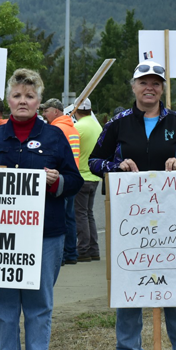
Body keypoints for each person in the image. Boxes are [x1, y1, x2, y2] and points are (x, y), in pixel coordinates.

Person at [88, 60, 176, 350]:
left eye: (156, 83)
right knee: (131, 283)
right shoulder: (118, 123)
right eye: (144, 82)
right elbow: (95, 162)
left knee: (174, 280)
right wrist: (116, 167)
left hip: (171, 218)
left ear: (163, 88)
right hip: (131, 219)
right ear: (134, 86)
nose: (149, 88)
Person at [0, 69, 83, 350]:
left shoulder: (54, 136)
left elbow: (75, 180)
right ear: (9, 100)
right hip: (1, 239)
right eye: (17, 95)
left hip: (45, 236)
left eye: (29, 96)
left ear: (38, 101)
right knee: (4, 308)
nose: (23, 101)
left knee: (38, 307)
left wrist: (57, 180)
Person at [40, 98, 81, 266]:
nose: (43, 114)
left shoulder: (56, 129)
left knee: (62, 217)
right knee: (70, 217)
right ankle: (71, 252)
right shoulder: (73, 128)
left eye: (46, 110)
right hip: (72, 177)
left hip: (59, 178)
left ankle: (63, 254)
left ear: (56, 112)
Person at [73, 98, 103, 263]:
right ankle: (93, 249)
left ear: (76, 110)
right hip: (94, 175)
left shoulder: (78, 127)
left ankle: (83, 249)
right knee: (88, 213)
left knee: (81, 214)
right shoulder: (96, 125)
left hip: (82, 175)